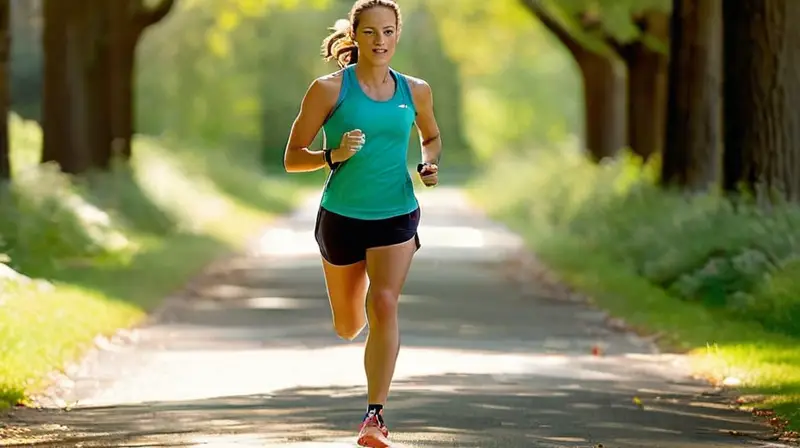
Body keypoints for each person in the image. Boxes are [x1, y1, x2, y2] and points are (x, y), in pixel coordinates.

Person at [282, 0, 442, 446]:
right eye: (370, 33)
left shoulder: (416, 91)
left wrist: (429, 164)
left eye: (388, 32)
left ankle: (374, 417)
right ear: (356, 36)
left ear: (398, 34)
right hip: (341, 218)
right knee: (349, 325)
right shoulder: (329, 90)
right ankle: (356, 318)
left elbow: (430, 137)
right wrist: (333, 155)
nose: (381, 41)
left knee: (385, 302)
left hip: (396, 213)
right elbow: (292, 157)